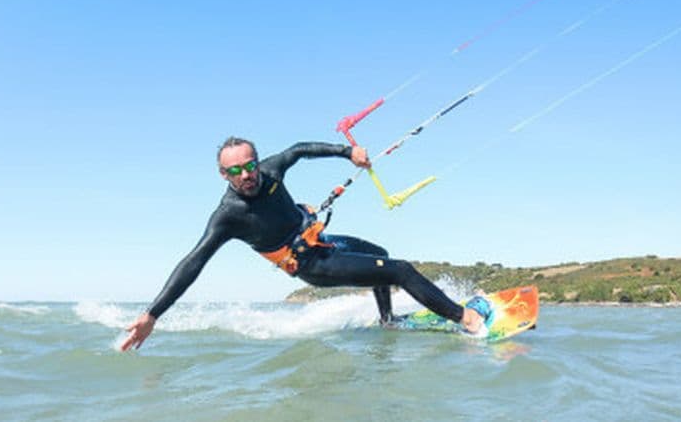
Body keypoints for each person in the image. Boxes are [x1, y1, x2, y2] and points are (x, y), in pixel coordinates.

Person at [120, 137, 483, 351]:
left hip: (320, 241)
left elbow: (299, 149)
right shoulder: (228, 216)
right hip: (311, 265)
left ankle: (387, 320)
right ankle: (465, 320)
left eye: (250, 165)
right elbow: (193, 262)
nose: (246, 176)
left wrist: (347, 152)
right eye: (235, 171)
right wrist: (152, 314)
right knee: (401, 271)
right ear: (222, 174)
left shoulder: (272, 171)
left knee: (381, 257)